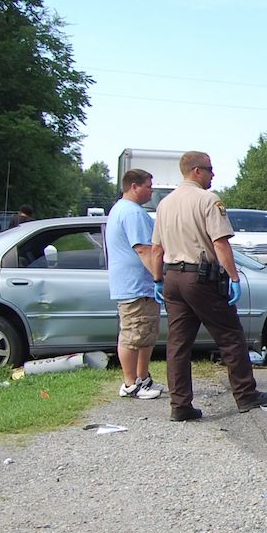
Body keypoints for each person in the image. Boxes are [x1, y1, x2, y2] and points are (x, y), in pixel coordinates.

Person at [147, 152, 267, 421]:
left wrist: (158, 279)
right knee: (230, 335)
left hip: (172, 277)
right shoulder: (208, 199)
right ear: (196, 171)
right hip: (201, 277)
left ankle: (180, 405)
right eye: (209, 169)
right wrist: (235, 277)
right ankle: (245, 394)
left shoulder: (165, 204)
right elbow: (220, 243)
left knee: (178, 343)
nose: (212, 175)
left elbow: (156, 248)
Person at [106, 169, 166, 400]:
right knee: (132, 334)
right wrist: (159, 278)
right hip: (135, 285)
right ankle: (130, 383)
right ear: (134, 186)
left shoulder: (123, 210)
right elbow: (143, 249)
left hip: (140, 286)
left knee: (145, 334)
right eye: (148, 186)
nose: (151, 190)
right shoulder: (132, 213)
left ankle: (143, 378)